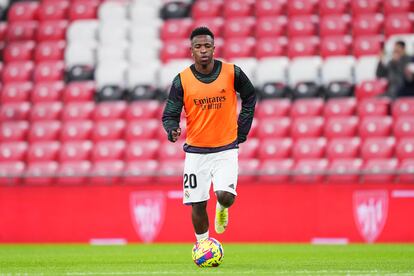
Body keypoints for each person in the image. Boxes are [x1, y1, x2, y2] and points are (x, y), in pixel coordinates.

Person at [162, 27, 257, 241]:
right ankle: (203, 245)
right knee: (197, 203)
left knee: (226, 196)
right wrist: (172, 129)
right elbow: (169, 114)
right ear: (191, 51)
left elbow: (250, 97)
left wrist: (242, 129)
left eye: (207, 46)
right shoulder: (182, 80)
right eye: (198, 47)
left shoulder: (233, 72)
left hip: (226, 148)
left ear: (214, 48)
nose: (203, 50)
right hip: (196, 152)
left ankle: (222, 208)